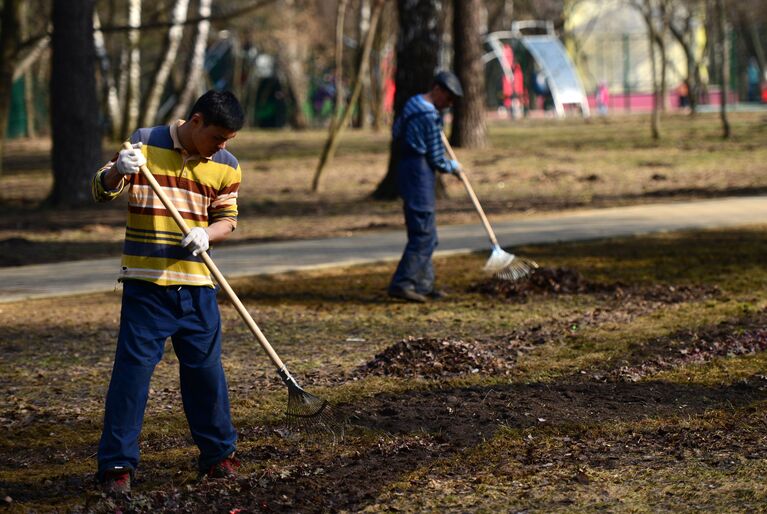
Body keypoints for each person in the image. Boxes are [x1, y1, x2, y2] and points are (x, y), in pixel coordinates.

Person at [91, 90, 245, 495]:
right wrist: (117, 170)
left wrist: (206, 234)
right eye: (217, 137)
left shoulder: (226, 166)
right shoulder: (143, 142)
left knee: (206, 374)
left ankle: (218, 456)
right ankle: (117, 465)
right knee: (132, 374)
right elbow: (103, 188)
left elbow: (227, 220)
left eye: (228, 139)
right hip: (145, 283)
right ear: (196, 122)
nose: (222, 146)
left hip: (197, 285)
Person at [387, 71, 463, 303]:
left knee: (424, 231)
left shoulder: (413, 103)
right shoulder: (428, 116)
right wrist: (454, 167)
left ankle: (423, 285)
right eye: (448, 98)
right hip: (419, 172)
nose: (448, 104)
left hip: (405, 167)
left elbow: (396, 130)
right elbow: (437, 159)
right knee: (423, 234)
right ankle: (402, 283)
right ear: (437, 89)